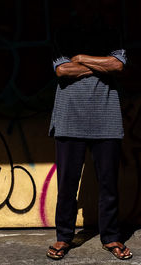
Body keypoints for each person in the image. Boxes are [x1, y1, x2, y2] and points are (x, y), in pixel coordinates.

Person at [46, 0, 132, 260]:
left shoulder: (111, 34)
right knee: (67, 184)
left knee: (108, 185)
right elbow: (62, 70)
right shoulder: (63, 34)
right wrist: (100, 64)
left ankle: (111, 237)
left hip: (106, 119)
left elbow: (118, 66)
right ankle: (64, 237)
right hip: (69, 119)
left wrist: (82, 60)